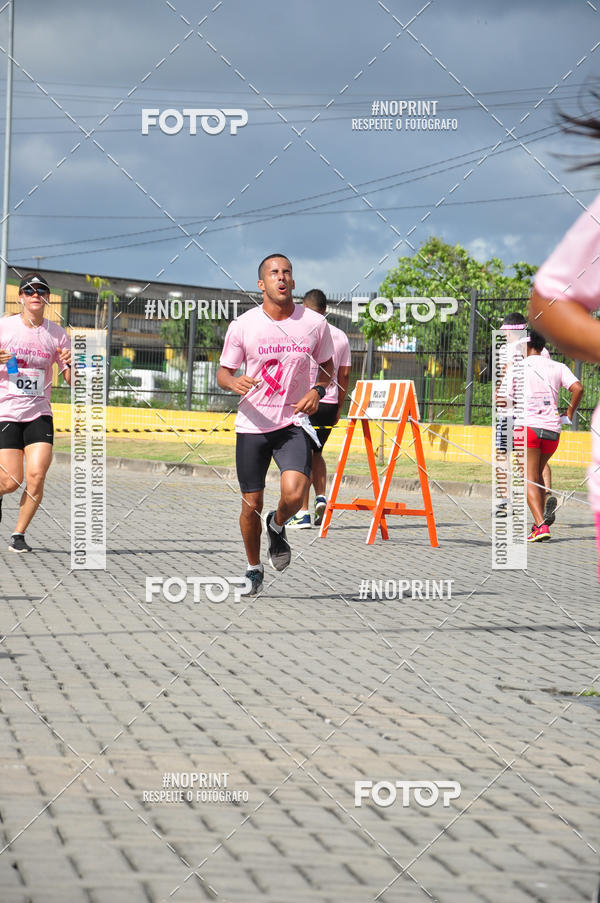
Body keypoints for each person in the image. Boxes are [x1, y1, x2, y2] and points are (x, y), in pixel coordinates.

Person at [217, 255, 333, 594]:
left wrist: (318, 389)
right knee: (250, 505)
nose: (281, 278)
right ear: (262, 284)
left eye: (287, 273)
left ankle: (278, 523)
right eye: (274, 273)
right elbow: (223, 371)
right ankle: (253, 568)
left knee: (295, 495)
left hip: (292, 422)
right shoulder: (243, 325)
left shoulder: (313, 323)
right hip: (252, 424)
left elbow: (327, 367)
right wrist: (232, 382)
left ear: (293, 282)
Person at [0, 273, 71, 552]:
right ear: (20, 297)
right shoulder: (5, 328)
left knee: (37, 475)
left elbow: (71, 379)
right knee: (10, 481)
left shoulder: (57, 334)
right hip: (6, 412)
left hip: (40, 412)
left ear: (47, 298)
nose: (35, 295)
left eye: (41, 290)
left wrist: (72, 363)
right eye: (29, 291)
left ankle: (19, 534)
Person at [286, 289, 351, 529]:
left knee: (301, 458)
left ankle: (302, 513)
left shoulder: (301, 333)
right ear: (325, 309)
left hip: (306, 403)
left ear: (304, 307)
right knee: (317, 453)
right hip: (329, 403)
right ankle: (321, 497)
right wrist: (339, 408)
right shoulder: (341, 336)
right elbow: (344, 374)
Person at [521, 329, 582, 542]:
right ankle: (539, 515)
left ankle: (541, 526)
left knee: (528, 477)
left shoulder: (518, 368)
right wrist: (569, 413)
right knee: (536, 474)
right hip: (552, 431)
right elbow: (578, 388)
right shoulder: (558, 366)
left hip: (528, 428)